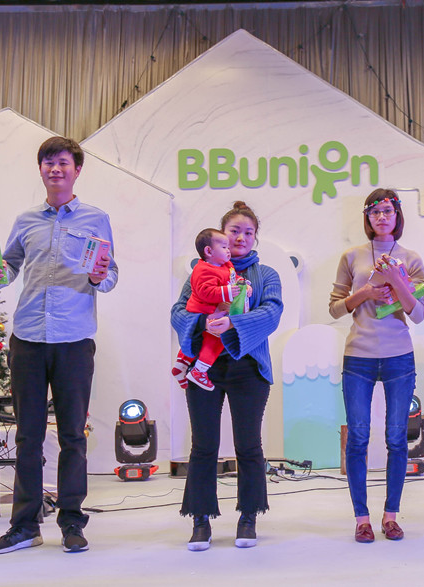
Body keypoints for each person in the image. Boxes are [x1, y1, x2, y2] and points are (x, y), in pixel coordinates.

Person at [0, 136, 118, 554]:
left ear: (77, 170)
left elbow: (110, 275)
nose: (55, 169)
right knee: (27, 435)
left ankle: (72, 521)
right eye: (48, 162)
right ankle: (24, 526)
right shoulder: (26, 220)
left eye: (62, 163)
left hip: (74, 339)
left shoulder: (96, 219)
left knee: (73, 435)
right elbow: (10, 266)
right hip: (27, 337)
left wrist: (99, 276)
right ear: (40, 169)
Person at [170, 201, 282, 551]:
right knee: (203, 445)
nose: (241, 238)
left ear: (255, 238)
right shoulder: (200, 271)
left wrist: (233, 323)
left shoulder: (266, 275)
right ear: (220, 237)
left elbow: (272, 312)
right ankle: (200, 519)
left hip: (249, 368)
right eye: (234, 231)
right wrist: (202, 322)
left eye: (248, 232)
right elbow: (178, 311)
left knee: (248, 446)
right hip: (205, 369)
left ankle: (248, 516)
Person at [328, 188, 424, 543]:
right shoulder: (351, 256)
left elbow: (418, 314)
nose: (382, 217)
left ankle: (391, 516)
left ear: (397, 216)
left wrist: (398, 282)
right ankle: (362, 518)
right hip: (359, 356)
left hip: (400, 356)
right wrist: (366, 293)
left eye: (388, 211)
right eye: (375, 212)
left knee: (397, 439)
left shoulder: (411, 259)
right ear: (367, 218)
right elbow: (335, 309)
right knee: (358, 438)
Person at [172, 228, 249, 391]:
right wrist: (228, 291)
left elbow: (233, 278)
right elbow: (205, 292)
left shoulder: (226, 265)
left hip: (214, 310)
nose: (228, 250)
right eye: (224, 247)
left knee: (198, 339)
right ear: (208, 251)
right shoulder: (203, 270)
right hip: (202, 310)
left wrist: (243, 284)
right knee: (215, 339)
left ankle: (180, 366)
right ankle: (199, 371)